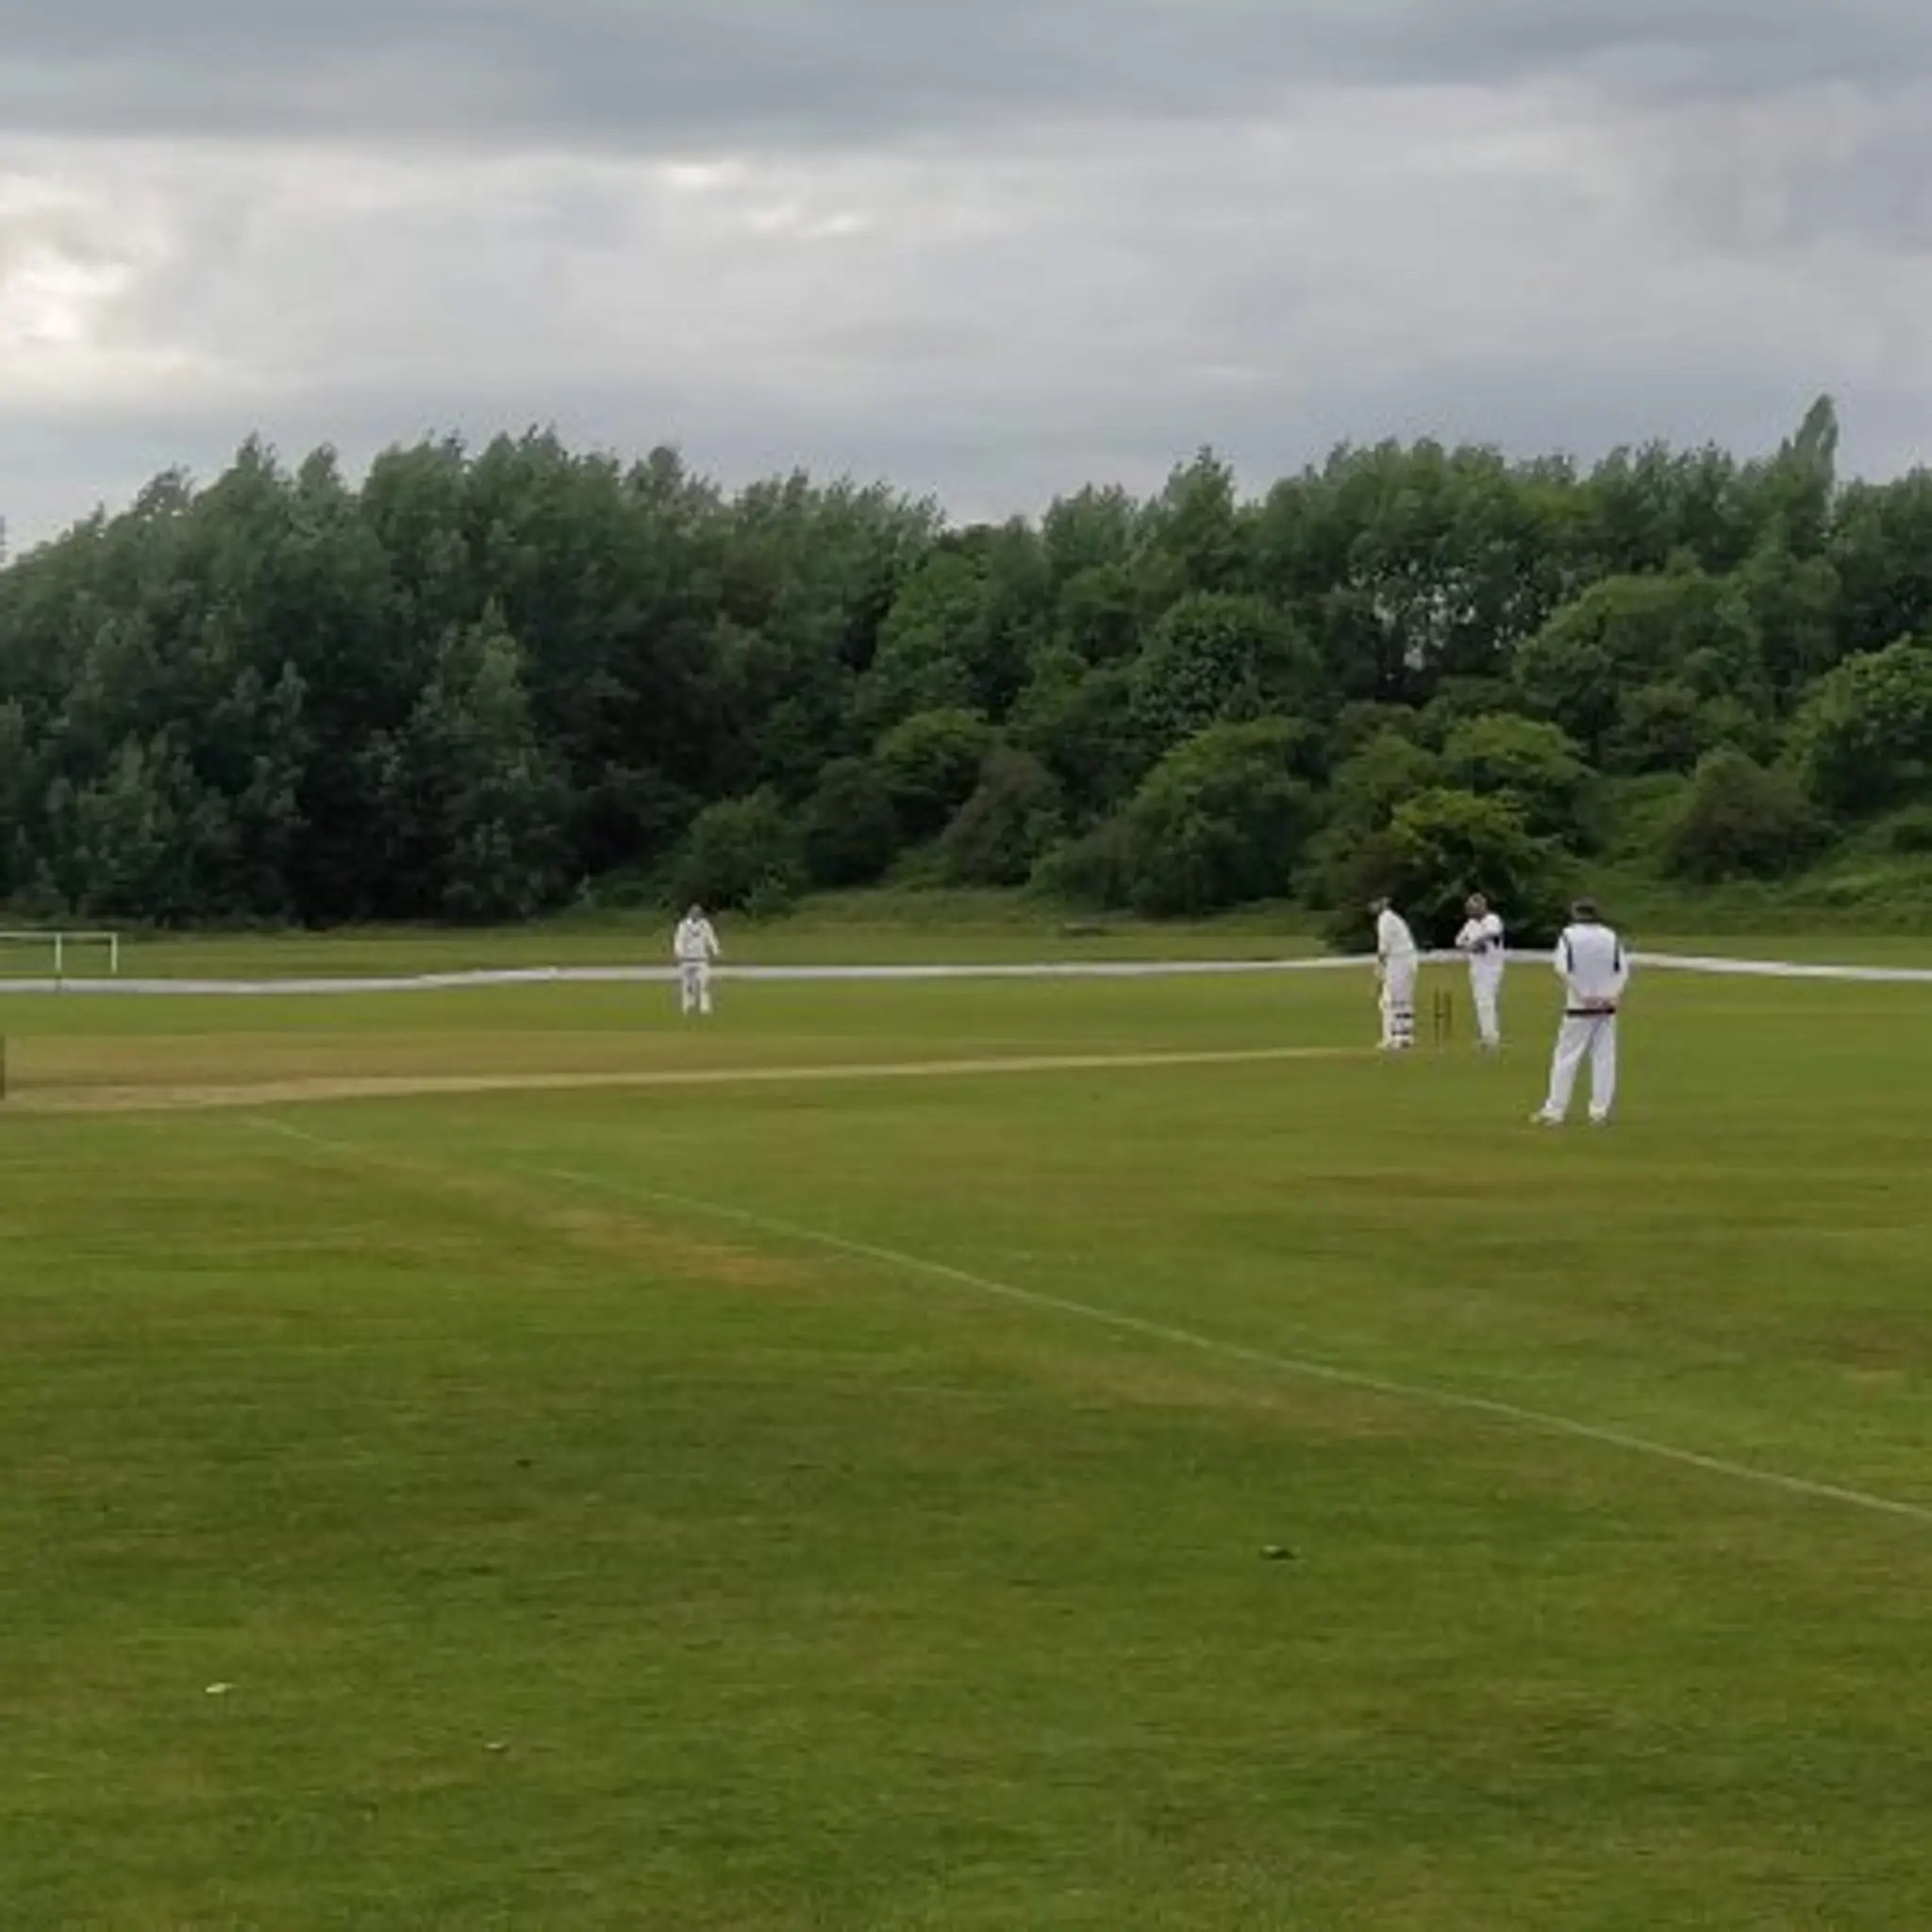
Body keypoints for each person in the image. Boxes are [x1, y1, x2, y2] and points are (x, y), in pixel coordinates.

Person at [1534, 898, 1629, 1125]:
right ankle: (1600, 1111)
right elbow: (1623, 969)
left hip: (1579, 1005)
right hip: (1607, 1006)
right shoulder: (1610, 936)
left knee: (1566, 1057)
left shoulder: (1569, 935)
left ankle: (1555, 1110)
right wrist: (1611, 995)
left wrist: (1584, 994)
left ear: (1576, 913)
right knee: (1604, 1058)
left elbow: (1562, 968)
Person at [1454, 892, 1507, 1049]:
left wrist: (1478, 941)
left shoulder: (1492, 919)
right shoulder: (1470, 923)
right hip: (1476, 967)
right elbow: (1458, 940)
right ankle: (1486, 1035)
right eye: (1468, 908)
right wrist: (1470, 946)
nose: (1469, 911)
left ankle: (1490, 1037)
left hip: (1491, 968)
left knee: (1486, 1001)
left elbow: (1493, 933)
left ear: (1482, 907)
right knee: (1480, 1001)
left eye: (1472, 908)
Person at [1371, 896, 1419, 1051]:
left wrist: (1379, 967)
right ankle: (1403, 1036)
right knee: (1402, 1000)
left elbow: (1384, 947)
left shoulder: (1385, 919)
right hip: (1406, 960)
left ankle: (1396, 1037)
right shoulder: (1393, 918)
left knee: (1393, 1000)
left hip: (1399, 961)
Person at [673, 904, 722, 1018]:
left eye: (698, 913)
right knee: (687, 985)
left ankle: (704, 1007)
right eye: (694, 913)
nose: (696, 915)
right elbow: (679, 940)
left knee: (704, 984)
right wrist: (679, 953)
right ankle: (687, 1005)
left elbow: (711, 938)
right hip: (687, 959)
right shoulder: (684, 925)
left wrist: (716, 950)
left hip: (701, 959)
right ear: (690, 913)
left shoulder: (705, 925)